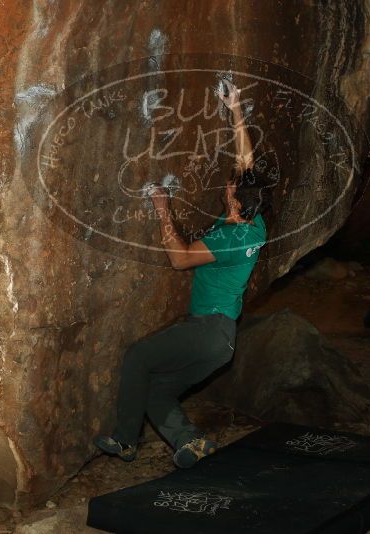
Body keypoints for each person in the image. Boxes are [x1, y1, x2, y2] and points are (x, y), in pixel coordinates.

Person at [93, 80, 271, 468]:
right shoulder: (254, 223)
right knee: (156, 390)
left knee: (138, 357)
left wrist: (162, 208)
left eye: (230, 186)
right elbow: (247, 163)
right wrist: (234, 107)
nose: (227, 182)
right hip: (222, 343)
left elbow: (180, 259)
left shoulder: (228, 237)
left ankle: (126, 441)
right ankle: (188, 442)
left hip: (206, 330)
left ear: (234, 199)